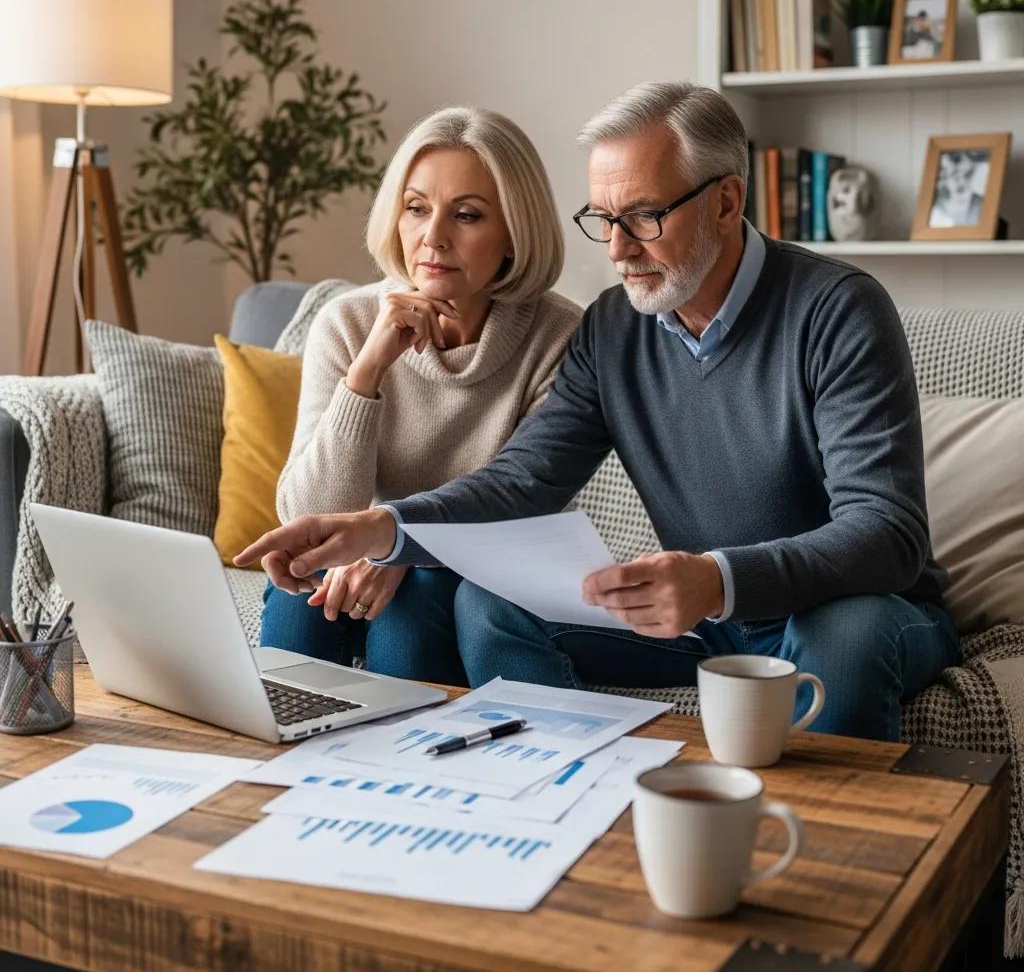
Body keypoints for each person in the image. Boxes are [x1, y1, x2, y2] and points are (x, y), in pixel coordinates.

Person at [239, 81, 959, 743]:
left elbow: (885, 533)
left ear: (727, 202)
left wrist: (716, 578)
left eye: (643, 217)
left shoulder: (839, 309)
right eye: (603, 219)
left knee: (846, 641)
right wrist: (378, 527)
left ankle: (837, 864)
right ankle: (575, 786)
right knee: (492, 608)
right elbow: (521, 482)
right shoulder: (614, 328)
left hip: (853, 604)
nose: (616, 249)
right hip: (709, 619)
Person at [258, 105, 581, 685]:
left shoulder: (558, 337)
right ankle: (282, 768)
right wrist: (368, 372)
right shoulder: (347, 324)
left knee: (412, 609)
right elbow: (306, 514)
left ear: (514, 232)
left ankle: (416, 769)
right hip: (355, 556)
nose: (432, 238)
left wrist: (397, 549)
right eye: (415, 208)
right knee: (295, 596)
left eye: (467, 214)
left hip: (479, 574)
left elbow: (521, 504)